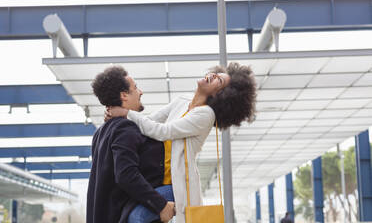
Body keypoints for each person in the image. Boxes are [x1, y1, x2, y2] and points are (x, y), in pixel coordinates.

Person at [106, 62, 257, 223]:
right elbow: (150, 120)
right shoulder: (182, 100)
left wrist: (126, 113)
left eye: (218, 81)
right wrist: (123, 119)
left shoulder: (206, 115)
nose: (213, 76)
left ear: (219, 95)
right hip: (156, 179)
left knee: (137, 218)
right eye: (216, 74)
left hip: (177, 185)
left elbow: (162, 131)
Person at [87, 66, 175, 223]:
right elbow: (126, 175)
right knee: (181, 191)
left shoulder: (101, 132)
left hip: (107, 214)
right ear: (124, 95)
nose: (140, 92)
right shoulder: (125, 128)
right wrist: (161, 205)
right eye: (135, 88)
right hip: (122, 215)